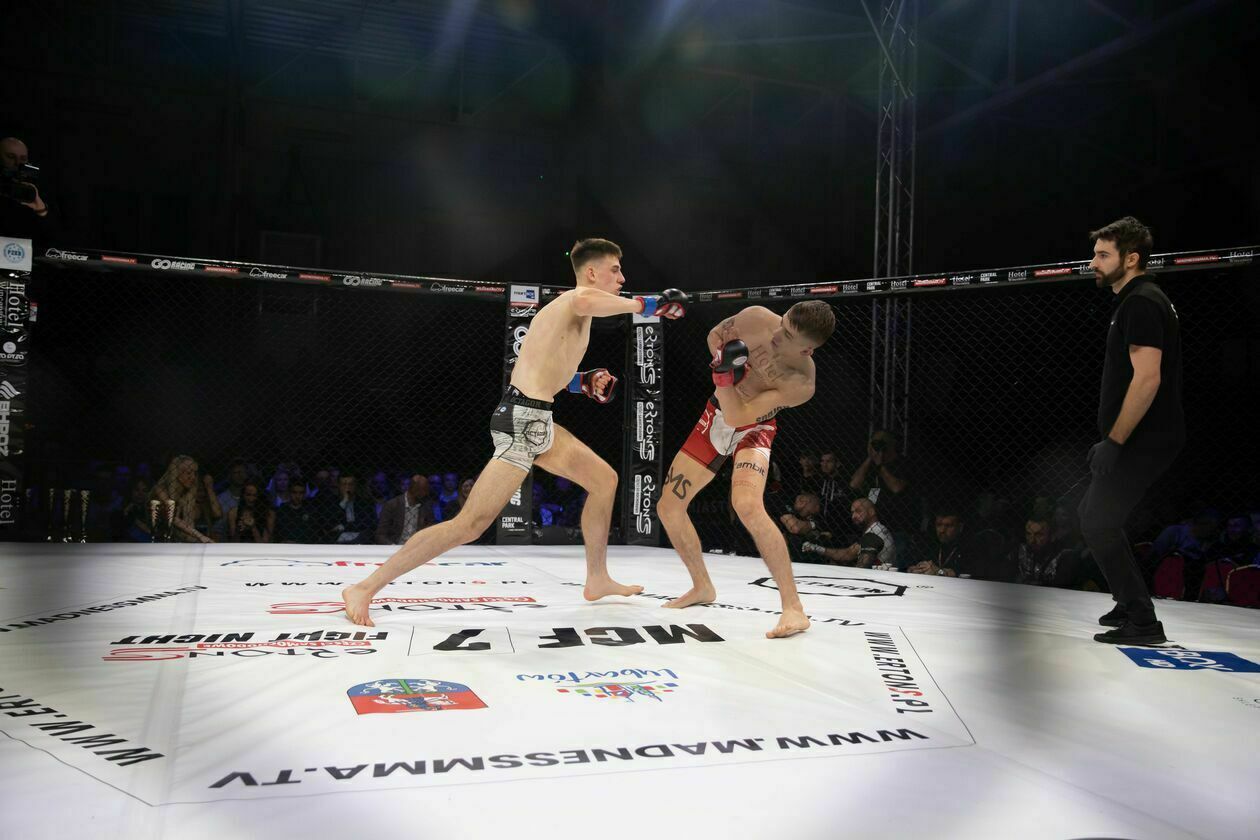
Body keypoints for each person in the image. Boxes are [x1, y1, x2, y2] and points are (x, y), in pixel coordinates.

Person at [342, 238, 687, 625]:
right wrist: (648, 305)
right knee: (470, 525)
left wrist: (583, 382)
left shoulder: (572, 313)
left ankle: (597, 578)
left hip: (537, 420)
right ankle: (364, 588)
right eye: (615, 269)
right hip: (522, 422)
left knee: (604, 480)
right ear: (591, 272)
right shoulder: (575, 301)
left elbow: (545, 372)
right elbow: (586, 300)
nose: (622, 278)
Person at [655, 300, 836, 638]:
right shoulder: (756, 318)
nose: (777, 334)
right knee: (668, 506)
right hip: (716, 415)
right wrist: (721, 359)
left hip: (754, 427)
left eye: (788, 336)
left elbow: (740, 416)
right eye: (783, 323)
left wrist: (725, 376)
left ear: (807, 350)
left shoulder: (801, 384)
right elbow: (714, 335)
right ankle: (702, 586)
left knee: (747, 505)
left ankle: (794, 608)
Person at [1082, 217, 1184, 645]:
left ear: (1131, 258)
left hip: (1145, 437)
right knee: (1100, 516)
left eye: (1103, 255)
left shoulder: (1141, 302)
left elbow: (1147, 379)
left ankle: (1143, 622)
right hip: (1144, 435)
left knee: (1097, 520)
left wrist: (1115, 441)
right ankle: (1127, 604)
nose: (1093, 263)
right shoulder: (1137, 300)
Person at [801, 497, 896, 568]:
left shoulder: (873, 534)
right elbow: (849, 553)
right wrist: (817, 548)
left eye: (858, 511)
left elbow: (860, 567)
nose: (854, 516)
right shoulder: (876, 529)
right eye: (852, 512)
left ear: (871, 512)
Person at [149, 455, 214, 544]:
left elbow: (189, 522)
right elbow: (173, 518)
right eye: (189, 473)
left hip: (174, 539)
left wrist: (200, 540)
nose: (193, 477)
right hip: (150, 536)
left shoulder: (187, 493)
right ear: (177, 474)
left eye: (195, 473)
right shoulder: (161, 490)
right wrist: (200, 536)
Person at [0, 137, 52, 241]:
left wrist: (41, 210)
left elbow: (53, 237)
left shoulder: (34, 189)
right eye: (11, 157)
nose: (18, 163)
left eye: (23, 159)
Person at [375, 474, 437, 545]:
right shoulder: (392, 505)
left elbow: (432, 526)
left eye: (425, 490)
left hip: (417, 545)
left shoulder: (426, 505)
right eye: (420, 490)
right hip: (396, 545)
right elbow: (380, 534)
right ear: (412, 489)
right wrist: (392, 546)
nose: (424, 493)